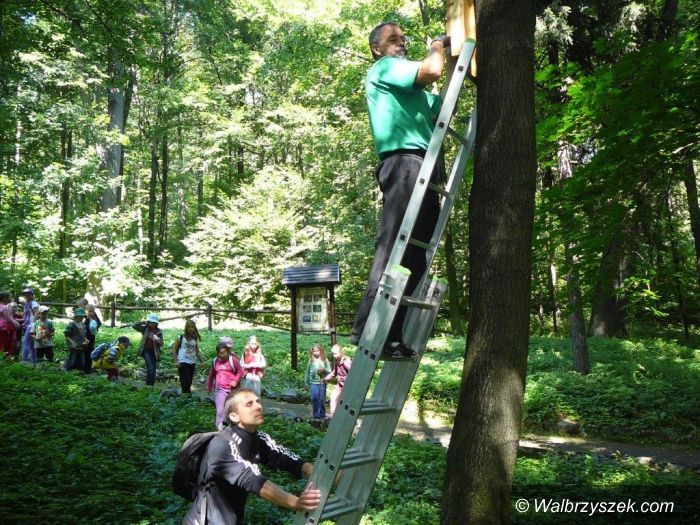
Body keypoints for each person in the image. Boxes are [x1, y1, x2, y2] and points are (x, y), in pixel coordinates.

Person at [350, 22, 449, 359]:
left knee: (417, 257)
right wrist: (437, 45)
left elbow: (440, 109)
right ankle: (367, 330)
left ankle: (392, 336)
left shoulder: (413, 92)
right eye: (393, 39)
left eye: (403, 39)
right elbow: (432, 70)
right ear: (377, 49)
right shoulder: (385, 68)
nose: (401, 44)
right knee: (393, 247)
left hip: (424, 166)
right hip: (404, 163)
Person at [183, 388, 321, 525]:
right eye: (249, 404)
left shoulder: (259, 438)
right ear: (234, 417)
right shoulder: (222, 445)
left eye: (258, 401)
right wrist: (295, 502)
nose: (258, 406)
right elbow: (252, 480)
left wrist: (315, 471)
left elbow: (285, 458)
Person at [206, 337, 243, 430]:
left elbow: (240, 371)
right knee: (220, 410)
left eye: (224, 352)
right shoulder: (215, 361)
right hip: (220, 389)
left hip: (233, 390)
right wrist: (209, 386)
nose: (222, 355)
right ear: (217, 353)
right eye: (220, 353)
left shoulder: (233, 360)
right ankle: (219, 429)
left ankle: (234, 429)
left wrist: (235, 380)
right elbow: (211, 374)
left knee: (233, 410)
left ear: (227, 352)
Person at [171, 319, 204, 395]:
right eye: (189, 327)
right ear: (186, 328)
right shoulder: (181, 337)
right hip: (182, 361)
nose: (191, 329)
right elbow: (174, 350)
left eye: (192, 327)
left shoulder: (195, 338)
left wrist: (202, 361)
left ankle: (185, 397)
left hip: (192, 362)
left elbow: (197, 352)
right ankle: (187, 397)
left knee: (189, 382)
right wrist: (176, 361)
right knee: (186, 381)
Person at [132, 313, 163, 386]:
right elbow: (134, 325)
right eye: (150, 322)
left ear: (156, 323)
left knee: (153, 369)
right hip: (146, 351)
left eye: (153, 322)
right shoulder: (145, 329)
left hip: (154, 352)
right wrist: (143, 322)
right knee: (150, 368)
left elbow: (161, 343)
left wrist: (157, 341)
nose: (151, 324)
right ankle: (148, 386)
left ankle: (151, 386)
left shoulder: (159, 331)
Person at [323, 344, 352, 418]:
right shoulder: (337, 361)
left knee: (348, 403)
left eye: (335, 354)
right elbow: (335, 372)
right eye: (333, 354)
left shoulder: (346, 361)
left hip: (347, 385)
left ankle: (353, 420)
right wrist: (328, 377)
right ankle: (333, 415)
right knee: (333, 398)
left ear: (341, 352)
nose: (333, 356)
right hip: (339, 384)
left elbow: (353, 372)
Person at [305, 343, 330, 420]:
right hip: (313, 382)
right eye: (314, 351)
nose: (316, 353)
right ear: (312, 352)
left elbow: (329, 371)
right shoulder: (311, 360)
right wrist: (306, 383)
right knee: (314, 398)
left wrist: (324, 370)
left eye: (317, 351)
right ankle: (316, 416)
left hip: (322, 382)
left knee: (321, 399)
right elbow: (307, 372)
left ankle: (322, 415)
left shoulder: (325, 359)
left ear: (321, 351)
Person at [21, 287, 40, 363]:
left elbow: (37, 314)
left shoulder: (34, 303)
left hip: (31, 325)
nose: (26, 296)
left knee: (26, 342)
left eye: (28, 294)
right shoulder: (26, 304)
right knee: (32, 344)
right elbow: (26, 315)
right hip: (27, 325)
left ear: (32, 295)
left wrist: (33, 325)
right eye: (25, 294)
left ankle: (25, 360)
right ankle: (34, 360)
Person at [83, 304, 101, 374]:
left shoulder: (94, 319)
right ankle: (82, 368)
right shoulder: (84, 318)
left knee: (89, 353)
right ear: (86, 311)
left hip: (91, 339)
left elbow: (99, 324)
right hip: (84, 339)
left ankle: (87, 370)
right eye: (89, 311)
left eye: (92, 312)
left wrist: (95, 327)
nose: (91, 313)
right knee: (83, 353)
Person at [0, 292, 20, 358]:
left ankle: (3, 358)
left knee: (2, 343)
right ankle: (6, 358)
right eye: (10, 297)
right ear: (4, 298)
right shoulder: (4, 307)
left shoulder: (1, 306)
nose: (11, 298)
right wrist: (16, 324)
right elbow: (9, 319)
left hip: (2, 326)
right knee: (7, 344)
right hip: (5, 328)